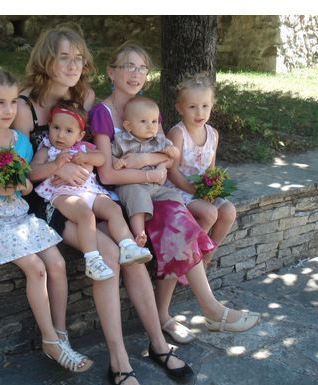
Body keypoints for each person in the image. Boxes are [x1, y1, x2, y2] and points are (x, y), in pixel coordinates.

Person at [13, 25, 193, 385]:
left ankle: (158, 343)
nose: (73, 65)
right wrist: (57, 168)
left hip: (88, 190)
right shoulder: (24, 106)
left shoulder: (85, 95)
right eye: (64, 56)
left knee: (132, 254)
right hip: (46, 198)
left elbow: (97, 154)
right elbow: (20, 176)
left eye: (79, 58)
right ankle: (119, 362)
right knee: (110, 254)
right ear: (46, 59)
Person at [89, 41, 260, 345]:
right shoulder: (102, 113)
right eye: (129, 66)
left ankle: (179, 312)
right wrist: (148, 170)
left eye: (142, 68)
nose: (136, 73)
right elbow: (108, 173)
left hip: (154, 189)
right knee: (177, 226)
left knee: (181, 224)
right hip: (120, 198)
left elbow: (168, 157)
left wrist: (146, 161)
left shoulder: (147, 108)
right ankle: (208, 310)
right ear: (111, 72)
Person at [0, 69, 92, 373]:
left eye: (13, 102)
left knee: (57, 263)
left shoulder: (20, 143)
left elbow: (26, 183)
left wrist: (22, 185)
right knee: (37, 268)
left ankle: (61, 332)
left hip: (18, 215)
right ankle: (49, 340)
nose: (9, 110)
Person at [31, 99, 152, 281]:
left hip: (91, 191)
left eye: (68, 131)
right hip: (62, 194)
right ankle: (93, 259)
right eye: (56, 128)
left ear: (80, 135)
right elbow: (33, 173)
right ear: (49, 126)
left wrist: (87, 157)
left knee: (114, 209)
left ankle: (127, 245)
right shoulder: (46, 150)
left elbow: (102, 159)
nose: (60, 135)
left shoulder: (83, 148)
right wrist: (55, 165)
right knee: (86, 216)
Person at [166, 71, 237, 266]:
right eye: (192, 107)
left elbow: (211, 169)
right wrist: (194, 191)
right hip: (179, 189)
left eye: (205, 106)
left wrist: (213, 189)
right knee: (209, 213)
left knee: (229, 211)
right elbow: (171, 172)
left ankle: (207, 254)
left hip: (201, 190)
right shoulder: (178, 133)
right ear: (180, 108)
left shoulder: (213, 134)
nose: (200, 113)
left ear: (212, 106)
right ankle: (190, 253)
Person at [111, 96, 183, 247]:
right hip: (132, 184)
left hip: (155, 185)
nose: (150, 126)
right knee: (138, 197)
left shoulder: (159, 140)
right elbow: (109, 155)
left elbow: (175, 155)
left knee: (174, 195)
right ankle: (139, 233)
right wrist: (115, 161)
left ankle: (178, 224)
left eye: (154, 121)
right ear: (128, 125)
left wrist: (172, 150)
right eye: (143, 121)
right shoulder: (121, 140)